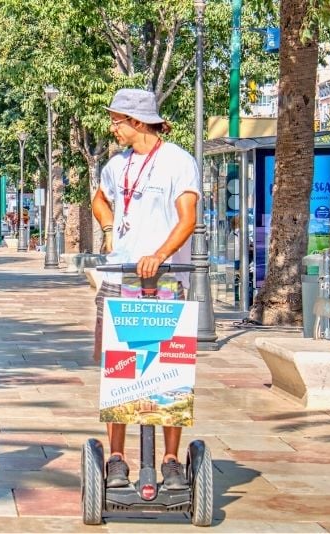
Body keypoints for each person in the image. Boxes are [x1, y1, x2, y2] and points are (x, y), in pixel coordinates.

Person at [91, 88, 200, 490]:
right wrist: (107, 230)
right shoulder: (115, 165)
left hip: (166, 280)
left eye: (117, 120)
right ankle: (117, 457)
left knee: (169, 369)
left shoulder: (177, 162)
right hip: (120, 279)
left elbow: (187, 218)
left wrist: (159, 254)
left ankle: (170, 460)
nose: (112, 127)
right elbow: (99, 200)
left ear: (138, 122)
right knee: (120, 369)